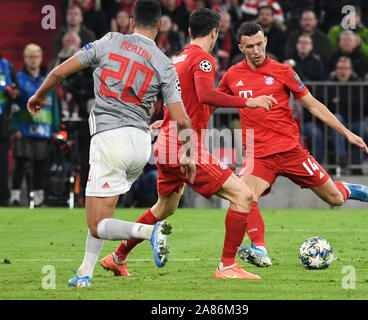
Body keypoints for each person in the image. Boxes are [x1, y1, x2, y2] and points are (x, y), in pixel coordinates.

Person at [27, 0, 195, 288]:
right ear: (159, 25)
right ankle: (85, 272)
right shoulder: (165, 63)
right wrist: (188, 156)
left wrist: (40, 96)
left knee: (96, 223)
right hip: (141, 145)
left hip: (110, 139)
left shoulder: (110, 41)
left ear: (131, 22)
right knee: (101, 213)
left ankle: (148, 232)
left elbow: (58, 72)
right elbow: (182, 120)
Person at [101, 8, 273, 280]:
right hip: (183, 144)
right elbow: (204, 94)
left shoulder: (177, 58)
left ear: (190, 31)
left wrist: (165, 119)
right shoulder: (203, 59)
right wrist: (247, 101)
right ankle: (227, 266)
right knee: (243, 196)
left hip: (168, 141)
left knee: (165, 208)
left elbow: (177, 97)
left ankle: (117, 257)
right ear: (215, 32)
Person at [216, 23, 368, 267]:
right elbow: (210, 102)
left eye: (260, 44)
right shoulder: (232, 75)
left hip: (291, 151)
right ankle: (261, 250)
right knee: (244, 196)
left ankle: (345, 189)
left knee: (334, 199)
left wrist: (347, 133)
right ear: (241, 48)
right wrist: (173, 116)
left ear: (266, 41)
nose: (256, 50)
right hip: (258, 154)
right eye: (250, 47)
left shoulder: (284, 72)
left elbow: (313, 105)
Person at [10, 44, 60, 207]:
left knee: (40, 164)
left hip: (44, 129)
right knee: (21, 162)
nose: (33, 60)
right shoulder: (18, 78)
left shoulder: (48, 79)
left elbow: (55, 106)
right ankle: (15, 196)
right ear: (25, 59)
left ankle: (39, 198)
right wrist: (15, 127)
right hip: (23, 128)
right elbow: (14, 105)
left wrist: (55, 127)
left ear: (40, 58)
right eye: (30, 57)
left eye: (36, 56)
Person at [0, 54, 19, 206]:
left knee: (2, 160)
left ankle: (3, 196)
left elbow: (17, 90)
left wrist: (11, 92)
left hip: (3, 120)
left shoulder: (7, 66)